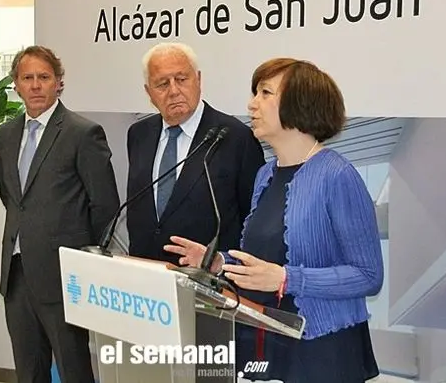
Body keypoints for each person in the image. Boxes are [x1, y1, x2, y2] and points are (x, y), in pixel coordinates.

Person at [164, 58, 384, 383]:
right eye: (255, 93)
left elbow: (368, 276)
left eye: (265, 93)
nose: (252, 104)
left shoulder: (337, 175)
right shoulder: (265, 175)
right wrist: (218, 262)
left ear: (300, 103)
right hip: (271, 339)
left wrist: (286, 279)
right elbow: (264, 260)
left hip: (324, 350)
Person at [0, 45, 120, 383]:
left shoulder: (82, 133)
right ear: (16, 84)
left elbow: (105, 205)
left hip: (65, 276)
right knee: (29, 372)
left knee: (74, 370)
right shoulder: (4, 136)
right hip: (17, 275)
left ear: (59, 82)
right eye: (27, 78)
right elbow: (12, 199)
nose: (35, 85)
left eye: (44, 77)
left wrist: (81, 258)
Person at [125, 42, 265, 265]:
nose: (173, 91)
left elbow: (253, 220)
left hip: (207, 276)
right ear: (148, 92)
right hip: (146, 272)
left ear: (198, 80)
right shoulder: (139, 134)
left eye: (181, 79)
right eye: (162, 84)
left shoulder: (235, 137)